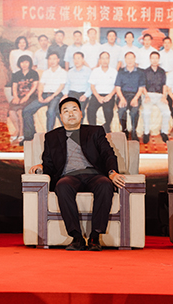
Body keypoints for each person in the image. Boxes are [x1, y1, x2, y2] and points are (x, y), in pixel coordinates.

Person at [29, 97, 126, 251]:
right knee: (62, 186)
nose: (71, 113)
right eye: (66, 111)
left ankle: (95, 236)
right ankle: (76, 237)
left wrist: (112, 173)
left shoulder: (95, 131)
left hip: (94, 175)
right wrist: (42, 166)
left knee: (105, 184)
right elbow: (49, 163)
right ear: (61, 117)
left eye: (74, 109)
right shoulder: (51, 137)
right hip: (69, 176)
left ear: (81, 113)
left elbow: (108, 154)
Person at [23, 52, 68, 141]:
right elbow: (41, 85)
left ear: (58, 60)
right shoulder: (46, 72)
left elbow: (61, 87)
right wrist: (40, 96)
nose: (52, 61)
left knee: (51, 111)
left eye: (54, 59)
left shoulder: (63, 72)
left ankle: (50, 136)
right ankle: (30, 134)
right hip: (44, 94)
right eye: (50, 59)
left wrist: (51, 97)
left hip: (56, 95)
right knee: (26, 110)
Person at [115, 51, 146, 141]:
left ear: (135, 59)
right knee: (121, 110)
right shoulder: (120, 72)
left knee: (134, 111)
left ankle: (134, 131)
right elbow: (117, 87)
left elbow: (141, 88)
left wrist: (136, 98)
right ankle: (124, 130)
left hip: (135, 95)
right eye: (128, 58)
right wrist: (121, 98)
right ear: (125, 60)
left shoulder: (140, 72)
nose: (130, 60)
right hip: (123, 94)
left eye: (132, 58)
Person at [9, 55, 39, 144]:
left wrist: (27, 96)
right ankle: (17, 130)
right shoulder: (16, 74)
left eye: (26, 62)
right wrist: (16, 97)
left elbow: (34, 86)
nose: (24, 64)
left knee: (20, 111)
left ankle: (22, 133)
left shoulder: (34, 73)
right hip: (19, 96)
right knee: (11, 111)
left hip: (31, 96)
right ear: (19, 64)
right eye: (22, 62)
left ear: (30, 63)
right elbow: (14, 87)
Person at [142, 51, 171, 144]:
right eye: (153, 58)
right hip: (148, 95)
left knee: (167, 112)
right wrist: (146, 96)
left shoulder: (162, 71)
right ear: (150, 59)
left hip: (159, 95)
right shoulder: (145, 71)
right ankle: (146, 133)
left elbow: (164, 85)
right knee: (146, 112)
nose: (154, 60)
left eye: (156, 58)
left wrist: (164, 96)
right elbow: (142, 86)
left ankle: (164, 132)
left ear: (159, 59)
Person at [87, 51, 118, 132]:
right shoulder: (95, 71)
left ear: (109, 60)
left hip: (109, 95)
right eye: (102, 58)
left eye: (106, 58)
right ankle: (92, 129)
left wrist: (110, 96)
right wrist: (98, 97)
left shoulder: (114, 71)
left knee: (108, 110)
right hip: (97, 95)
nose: (104, 60)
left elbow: (116, 86)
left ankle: (107, 127)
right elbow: (92, 86)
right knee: (90, 109)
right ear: (99, 60)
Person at [63, 51, 92, 118]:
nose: (76, 60)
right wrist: (65, 94)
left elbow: (91, 86)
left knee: (80, 110)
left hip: (83, 93)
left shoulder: (88, 71)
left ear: (83, 60)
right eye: (75, 58)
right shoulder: (70, 72)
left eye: (78, 58)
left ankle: (79, 125)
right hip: (72, 93)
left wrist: (85, 95)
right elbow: (67, 84)